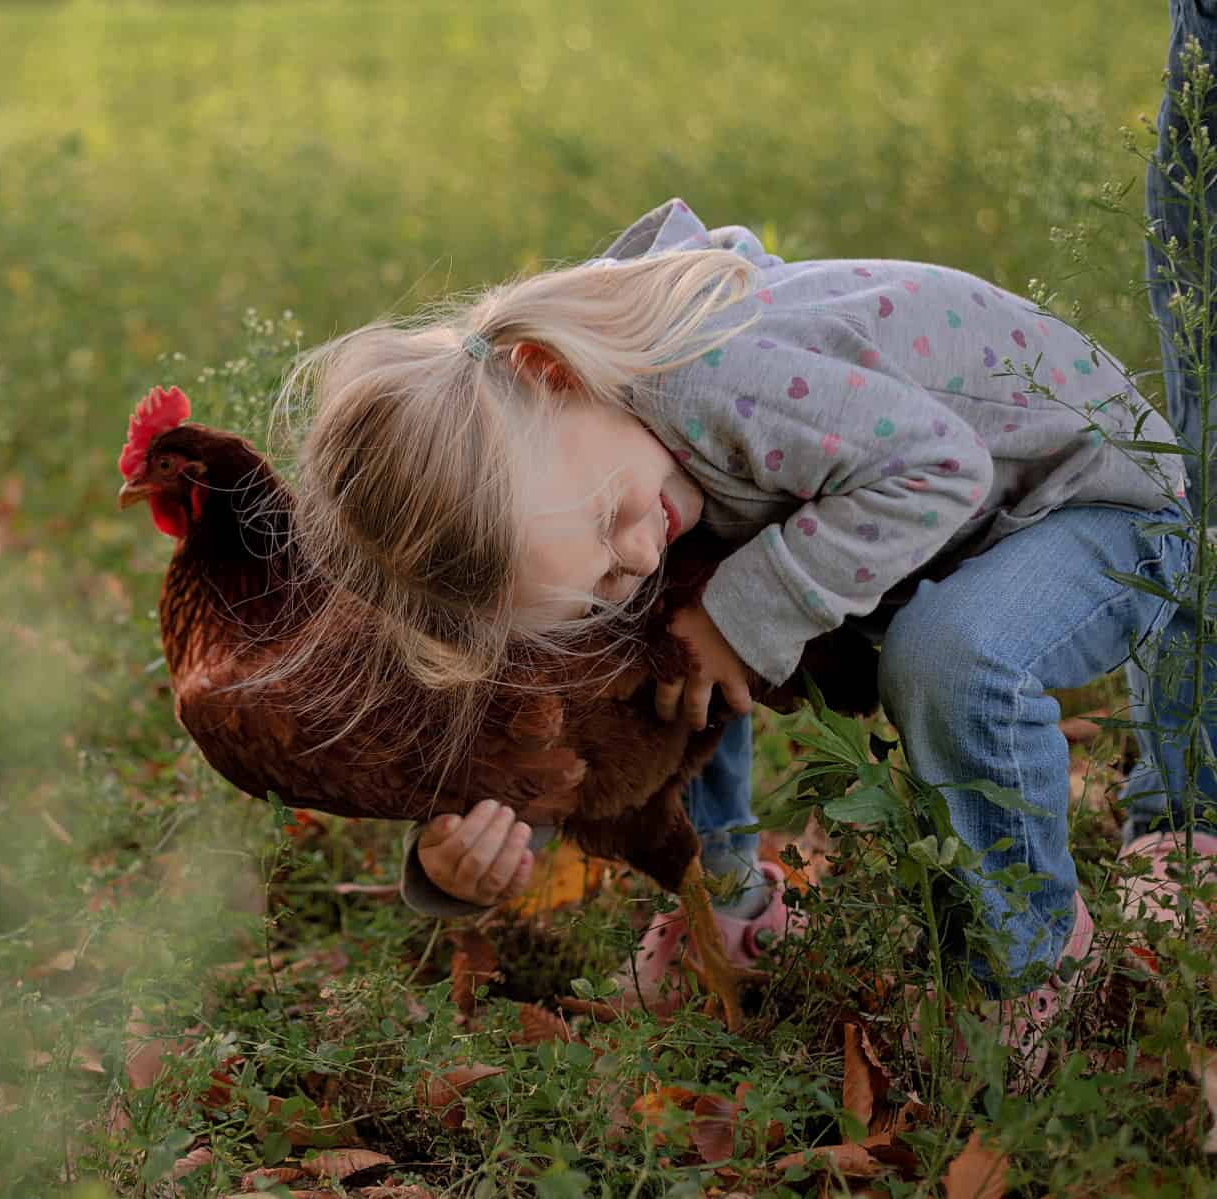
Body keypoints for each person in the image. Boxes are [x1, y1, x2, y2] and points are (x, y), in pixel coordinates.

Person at [280, 1, 1217, 1067]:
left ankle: (1034, 961)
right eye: (583, 577)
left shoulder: (717, 377)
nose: (625, 554)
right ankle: (730, 902)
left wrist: (739, 612)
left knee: (932, 652)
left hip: (1096, 510)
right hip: (954, 534)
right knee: (663, 634)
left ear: (550, 371)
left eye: (604, 527)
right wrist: (478, 838)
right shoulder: (589, 458)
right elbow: (584, 678)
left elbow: (942, 466)